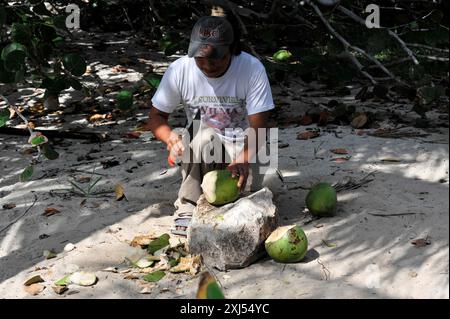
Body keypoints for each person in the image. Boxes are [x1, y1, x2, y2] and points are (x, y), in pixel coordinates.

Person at [146, 15, 275, 236]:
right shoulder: (180, 69)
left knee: (263, 195)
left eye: (215, 58)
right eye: (200, 58)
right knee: (202, 133)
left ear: (232, 50)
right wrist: (170, 138)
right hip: (204, 149)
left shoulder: (251, 68)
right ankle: (187, 205)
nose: (207, 65)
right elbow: (156, 117)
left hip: (245, 143)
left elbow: (260, 126)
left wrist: (243, 158)